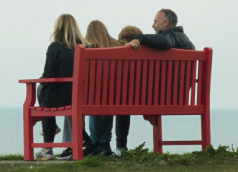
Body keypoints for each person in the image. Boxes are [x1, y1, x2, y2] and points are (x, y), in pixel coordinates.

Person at [35, 14, 86, 160]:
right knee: (44, 94)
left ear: (58, 28)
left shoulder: (55, 47)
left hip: (62, 97)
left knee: (42, 93)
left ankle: (47, 149)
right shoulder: (87, 46)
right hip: (83, 96)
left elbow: (48, 76)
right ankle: (54, 135)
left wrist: (41, 80)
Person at [83, 20, 122, 157]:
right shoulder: (118, 47)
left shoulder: (86, 47)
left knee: (94, 100)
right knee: (108, 102)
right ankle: (104, 143)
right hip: (116, 94)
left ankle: (94, 142)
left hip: (94, 93)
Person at [111, 25, 143, 156]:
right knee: (124, 100)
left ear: (124, 41)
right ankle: (121, 147)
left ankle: (120, 146)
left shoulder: (122, 56)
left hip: (126, 99)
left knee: (121, 102)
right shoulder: (147, 53)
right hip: (148, 98)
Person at [125, 9, 195, 51]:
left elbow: (165, 41)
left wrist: (140, 38)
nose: (152, 26)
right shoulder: (183, 39)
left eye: (155, 22)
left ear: (166, 22)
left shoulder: (171, 37)